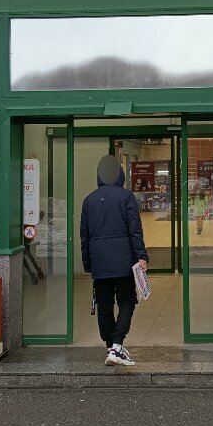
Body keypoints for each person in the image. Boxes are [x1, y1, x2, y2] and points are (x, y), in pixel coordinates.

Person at [80, 155, 149, 367]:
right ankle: (117, 345)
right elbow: (135, 231)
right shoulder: (126, 197)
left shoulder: (89, 200)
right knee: (127, 302)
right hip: (124, 263)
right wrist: (141, 256)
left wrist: (89, 264)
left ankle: (110, 346)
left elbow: (85, 237)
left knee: (105, 305)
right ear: (120, 175)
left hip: (100, 264)